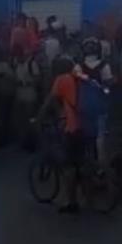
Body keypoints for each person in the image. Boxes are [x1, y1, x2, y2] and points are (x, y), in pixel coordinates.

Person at [34, 55, 86, 214]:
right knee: (82, 161)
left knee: (67, 165)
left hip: (72, 126)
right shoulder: (81, 77)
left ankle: (72, 202)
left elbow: (49, 102)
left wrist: (38, 119)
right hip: (88, 125)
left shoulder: (61, 80)